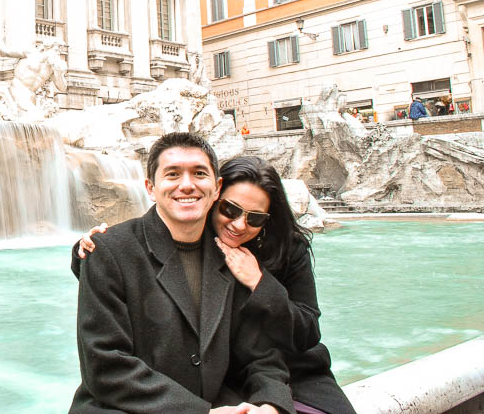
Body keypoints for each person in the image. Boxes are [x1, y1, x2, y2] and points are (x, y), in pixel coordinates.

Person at [76, 156, 355, 414]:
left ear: (269, 217)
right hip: (222, 374)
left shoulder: (286, 248)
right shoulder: (198, 238)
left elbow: (307, 333)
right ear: (215, 197)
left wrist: (259, 282)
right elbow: (141, 255)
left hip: (292, 369)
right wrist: (90, 249)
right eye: (229, 210)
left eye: (255, 218)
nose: (238, 224)